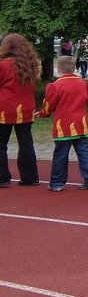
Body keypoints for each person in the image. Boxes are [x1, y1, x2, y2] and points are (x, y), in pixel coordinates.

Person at [39, 56, 88, 191]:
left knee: (60, 154)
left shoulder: (55, 86)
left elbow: (49, 105)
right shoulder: (83, 84)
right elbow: (86, 99)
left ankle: (57, 182)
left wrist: (44, 113)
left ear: (58, 69)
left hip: (63, 126)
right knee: (84, 152)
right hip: (81, 124)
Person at [0, 33, 40, 188]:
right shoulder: (31, 64)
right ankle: (30, 177)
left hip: (5, 109)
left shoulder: (3, 65)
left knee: (1, 144)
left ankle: (3, 177)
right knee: (26, 142)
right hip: (26, 109)